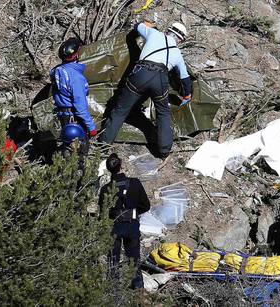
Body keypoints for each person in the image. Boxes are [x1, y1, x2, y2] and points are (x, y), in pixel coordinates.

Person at [99, 21, 192, 159]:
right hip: (160, 80)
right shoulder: (177, 53)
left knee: (120, 110)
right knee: (163, 114)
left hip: (140, 74)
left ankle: (104, 145)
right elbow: (184, 77)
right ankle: (164, 151)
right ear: (180, 39)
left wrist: (146, 24)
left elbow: (136, 26)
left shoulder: (153, 33)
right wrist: (187, 95)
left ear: (168, 30)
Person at [98, 153, 151, 289]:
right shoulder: (135, 183)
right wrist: (133, 212)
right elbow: (146, 205)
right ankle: (138, 290)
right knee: (134, 260)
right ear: (121, 166)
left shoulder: (105, 189)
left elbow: (103, 213)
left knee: (113, 261)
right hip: (131, 226)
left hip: (113, 227)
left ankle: (112, 290)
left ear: (109, 170)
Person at [50, 37, 97, 164]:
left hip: (63, 115)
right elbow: (80, 107)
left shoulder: (56, 71)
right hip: (74, 117)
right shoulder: (76, 77)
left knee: (68, 146)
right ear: (76, 55)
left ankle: (64, 169)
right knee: (80, 150)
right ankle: (78, 174)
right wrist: (91, 127)